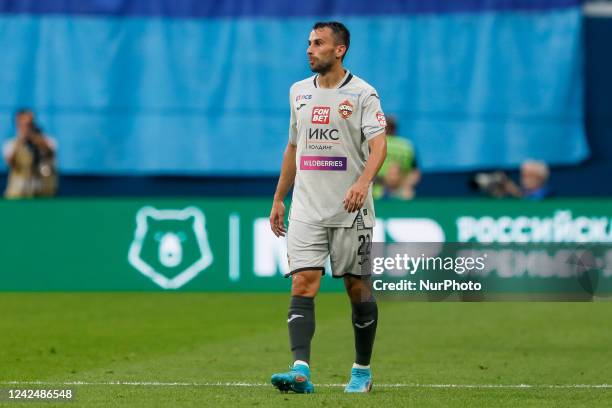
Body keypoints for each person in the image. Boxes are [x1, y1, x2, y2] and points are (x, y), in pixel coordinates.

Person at [269, 21, 387, 394]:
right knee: (303, 282)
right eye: (308, 42)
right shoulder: (298, 92)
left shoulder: (363, 93)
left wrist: (363, 182)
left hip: (353, 210)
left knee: (358, 288)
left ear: (340, 50)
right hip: (306, 207)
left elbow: (379, 144)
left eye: (318, 43)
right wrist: (278, 198)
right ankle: (300, 370)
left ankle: (361, 371)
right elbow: (293, 146)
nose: (309, 49)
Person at [3, 109, 58, 198]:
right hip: (17, 195)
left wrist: (35, 139)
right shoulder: (10, 144)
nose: (25, 128)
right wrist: (20, 141)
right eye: (22, 125)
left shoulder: (47, 141)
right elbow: (11, 163)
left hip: (42, 194)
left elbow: (50, 153)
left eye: (28, 124)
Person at [373, 116, 420, 200]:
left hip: (376, 193)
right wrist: (404, 184)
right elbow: (415, 173)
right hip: (401, 194)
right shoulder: (407, 146)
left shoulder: (375, 144)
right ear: (395, 129)